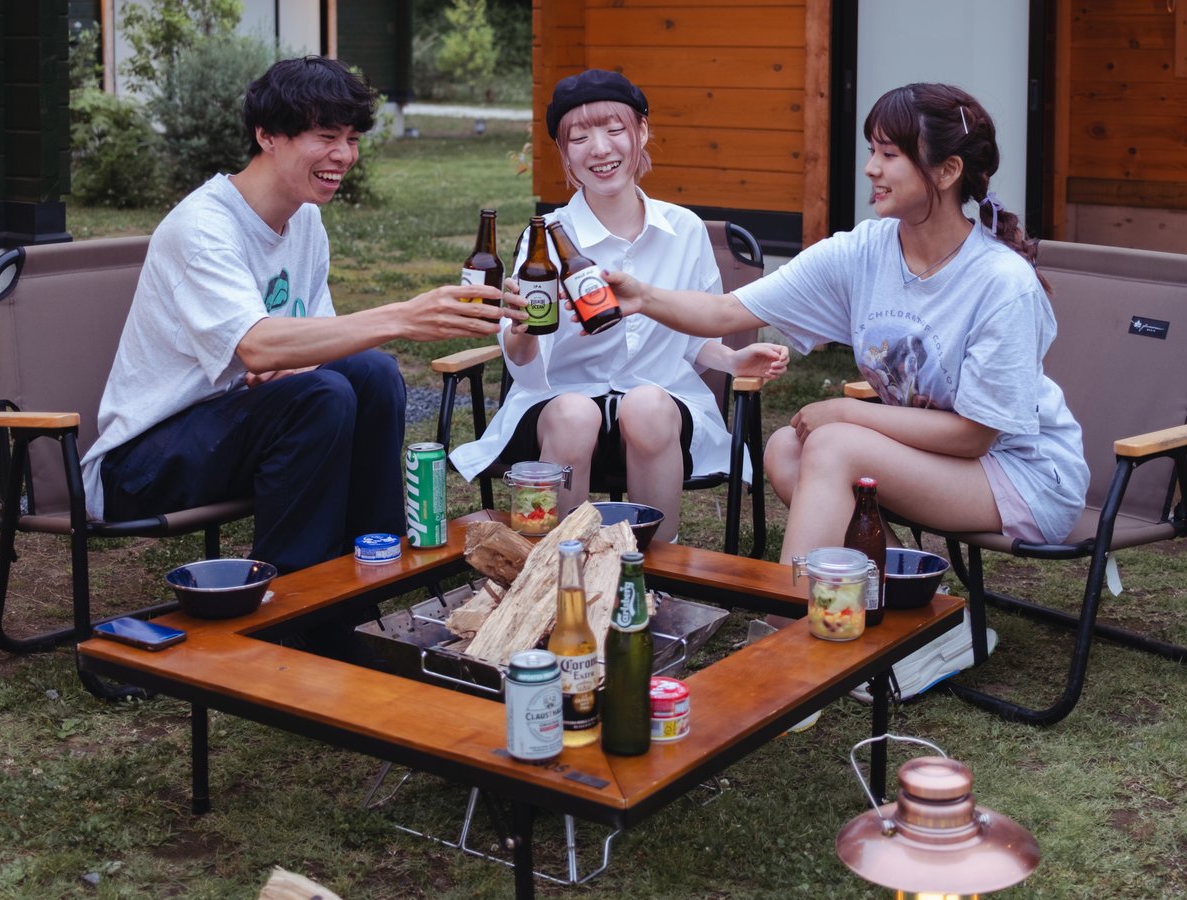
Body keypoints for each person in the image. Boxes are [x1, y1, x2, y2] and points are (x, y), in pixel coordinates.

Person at [604, 83, 1089, 697]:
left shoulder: (1000, 283)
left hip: (1023, 475)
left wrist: (844, 413)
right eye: (871, 150)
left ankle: (786, 647)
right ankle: (924, 622)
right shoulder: (866, 251)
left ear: (946, 171)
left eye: (889, 154)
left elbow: (975, 435)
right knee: (787, 449)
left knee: (832, 445)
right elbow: (729, 310)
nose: (870, 168)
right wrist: (643, 297)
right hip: (948, 459)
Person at [81, 56, 525, 575]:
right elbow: (257, 346)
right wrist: (404, 317)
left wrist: (293, 357)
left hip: (238, 425)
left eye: (352, 139)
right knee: (321, 396)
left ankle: (371, 567)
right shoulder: (203, 227)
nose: (345, 155)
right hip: (141, 466)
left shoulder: (305, 219)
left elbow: (314, 343)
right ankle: (295, 595)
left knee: (374, 373)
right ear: (267, 135)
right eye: (327, 137)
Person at [448, 69, 788, 541]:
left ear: (641, 132)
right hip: (558, 411)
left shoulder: (684, 230)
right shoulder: (546, 240)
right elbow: (523, 364)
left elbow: (691, 334)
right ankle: (559, 564)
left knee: (647, 404)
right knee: (576, 414)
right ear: (564, 151)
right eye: (580, 138)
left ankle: (652, 568)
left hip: (659, 414)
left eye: (613, 130)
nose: (600, 149)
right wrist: (521, 332)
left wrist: (732, 359)